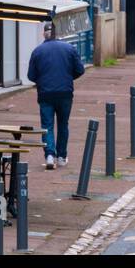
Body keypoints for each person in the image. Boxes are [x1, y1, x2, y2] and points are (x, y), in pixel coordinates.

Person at [26, 24, 85, 170]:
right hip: (65, 92)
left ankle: (49, 156)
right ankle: (62, 157)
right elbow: (80, 70)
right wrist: (67, 78)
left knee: (47, 126)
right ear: (57, 34)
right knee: (63, 125)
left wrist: (42, 81)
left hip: (45, 93)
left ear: (44, 34)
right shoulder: (69, 49)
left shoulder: (37, 51)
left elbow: (31, 76)